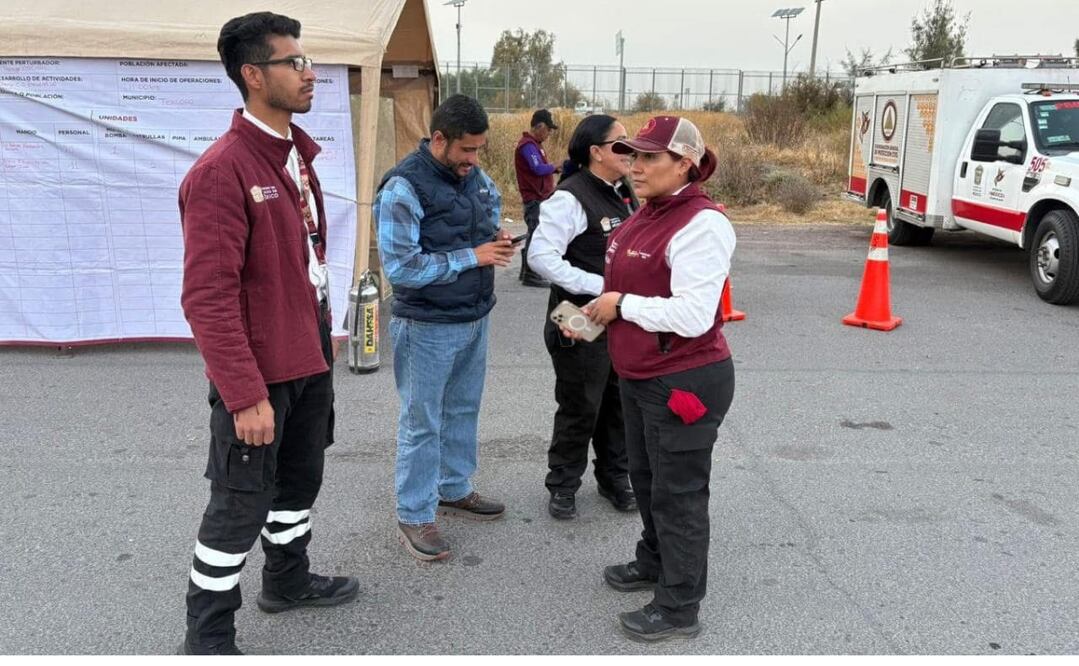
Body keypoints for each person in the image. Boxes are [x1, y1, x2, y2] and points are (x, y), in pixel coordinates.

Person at [177, 12, 358, 655]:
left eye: (307, 61)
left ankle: (287, 580)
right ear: (254, 76)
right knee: (238, 505)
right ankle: (208, 635)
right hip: (260, 377)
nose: (310, 73)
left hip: (308, 357)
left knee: (298, 485)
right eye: (295, 63)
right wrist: (244, 394)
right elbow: (207, 299)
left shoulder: (292, 155)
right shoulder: (222, 171)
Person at [563, 116, 736, 642]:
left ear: (685, 163)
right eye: (631, 155)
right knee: (648, 481)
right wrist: (596, 317)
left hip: (683, 380)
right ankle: (653, 561)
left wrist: (621, 305)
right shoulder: (648, 211)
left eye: (649, 158)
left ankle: (680, 604)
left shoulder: (702, 224)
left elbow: (693, 314)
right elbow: (628, 287)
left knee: (678, 493)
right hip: (641, 374)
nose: (635, 167)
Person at [374, 94, 515, 562]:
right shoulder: (402, 188)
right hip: (426, 326)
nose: (474, 161)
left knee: (463, 410)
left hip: (474, 315)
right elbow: (401, 269)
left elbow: (488, 211)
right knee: (422, 423)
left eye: (479, 150)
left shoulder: (473, 176)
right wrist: (472, 256)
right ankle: (415, 513)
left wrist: (495, 237)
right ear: (438, 139)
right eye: (467, 151)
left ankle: (453, 488)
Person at [528, 115, 639, 520]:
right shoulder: (570, 197)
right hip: (576, 314)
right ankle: (562, 484)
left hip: (619, 317)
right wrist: (598, 285)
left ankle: (614, 477)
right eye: (621, 144)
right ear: (596, 152)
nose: (630, 151)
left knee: (619, 403)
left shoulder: (623, 191)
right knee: (580, 403)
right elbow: (539, 257)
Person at [514, 108, 560, 287]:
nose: (548, 134)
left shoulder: (534, 145)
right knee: (535, 233)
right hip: (534, 198)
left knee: (534, 232)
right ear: (539, 126)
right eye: (548, 129)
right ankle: (530, 274)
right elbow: (537, 169)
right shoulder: (528, 146)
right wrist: (554, 167)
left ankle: (526, 271)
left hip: (539, 197)